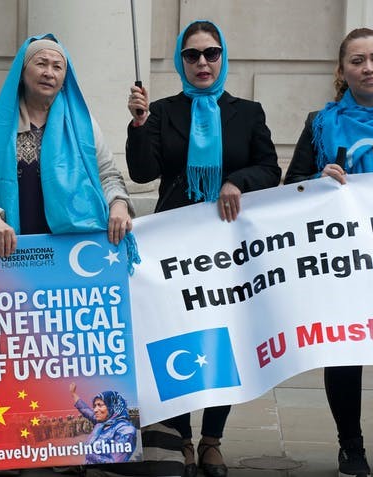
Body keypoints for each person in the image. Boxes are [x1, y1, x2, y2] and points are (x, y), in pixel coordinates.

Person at [125, 20, 281, 477]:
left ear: (222, 57)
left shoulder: (247, 111)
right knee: (176, 339)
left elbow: (269, 168)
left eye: (211, 53)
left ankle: (212, 438)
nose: (202, 63)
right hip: (174, 247)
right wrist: (138, 125)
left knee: (223, 341)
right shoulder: (161, 111)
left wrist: (236, 181)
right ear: (181, 61)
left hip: (228, 249)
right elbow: (141, 172)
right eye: (192, 55)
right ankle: (182, 440)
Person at [284, 27, 373, 477]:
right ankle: (352, 448)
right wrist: (318, 181)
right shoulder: (320, 123)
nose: (368, 68)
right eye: (357, 61)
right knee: (345, 357)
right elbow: (291, 187)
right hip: (342, 264)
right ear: (342, 70)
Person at [0, 34, 135, 259]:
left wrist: (119, 204)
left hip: (72, 251)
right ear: (22, 72)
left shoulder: (83, 124)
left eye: (57, 67)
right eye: (41, 64)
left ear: (65, 76)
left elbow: (108, 175)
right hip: (10, 250)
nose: (49, 73)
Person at [69, 383, 136, 464]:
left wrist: (89, 453)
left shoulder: (125, 430)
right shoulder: (102, 423)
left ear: (112, 406)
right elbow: (85, 410)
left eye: (100, 405)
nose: (95, 410)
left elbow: (115, 461)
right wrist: (73, 394)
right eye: (95, 406)